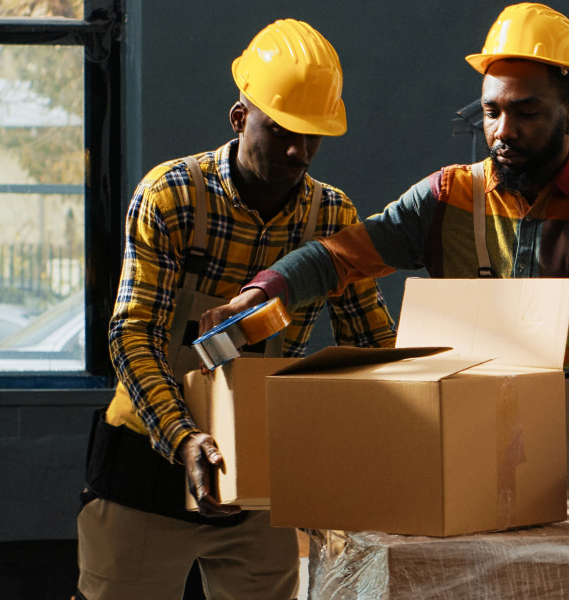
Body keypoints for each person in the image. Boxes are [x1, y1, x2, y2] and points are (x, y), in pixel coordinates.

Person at [201, 3, 569, 499]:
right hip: (470, 438)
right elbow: (339, 255)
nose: (503, 131)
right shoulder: (447, 197)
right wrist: (267, 290)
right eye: (491, 111)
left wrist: (447, 340)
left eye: (526, 113)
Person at [78, 19, 396, 600]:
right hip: (148, 463)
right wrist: (185, 438)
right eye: (281, 132)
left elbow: (373, 344)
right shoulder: (172, 197)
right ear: (239, 117)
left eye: (313, 136)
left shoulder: (330, 217)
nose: (299, 151)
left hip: (256, 475)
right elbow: (133, 335)